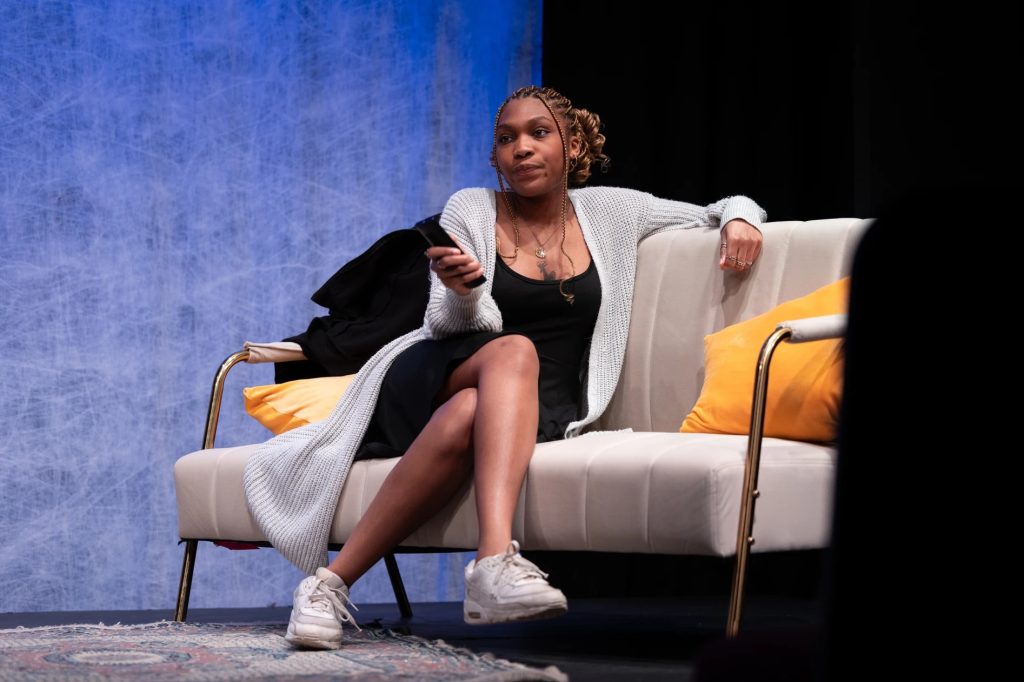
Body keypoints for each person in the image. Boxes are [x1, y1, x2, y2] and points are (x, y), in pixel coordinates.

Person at [242, 85, 765, 650]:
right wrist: (462, 291)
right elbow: (446, 325)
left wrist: (741, 217)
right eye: (506, 138)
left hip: (531, 402)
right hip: (435, 373)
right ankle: (494, 560)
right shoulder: (472, 207)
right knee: (513, 351)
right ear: (495, 157)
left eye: (539, 133)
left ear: (574, 146)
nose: (521, 148)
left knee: (474, 411)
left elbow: (716, 209)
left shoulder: (614, 211)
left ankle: (325, 586)